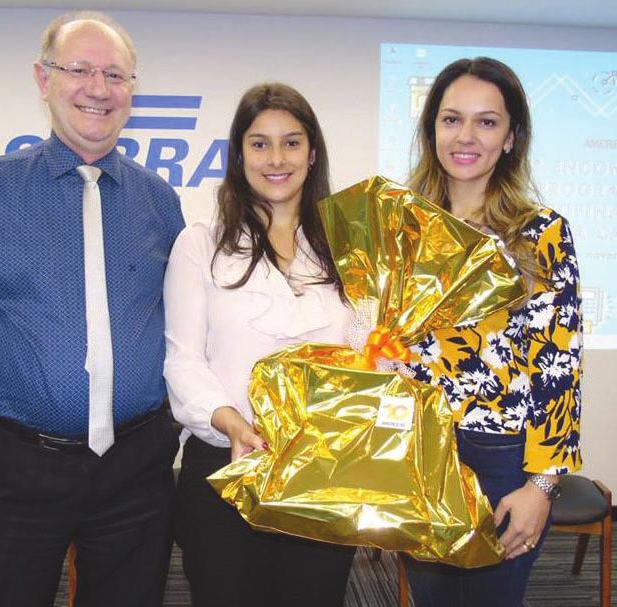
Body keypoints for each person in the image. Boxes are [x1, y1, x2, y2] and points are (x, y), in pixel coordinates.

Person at [0, 11, 184, 607]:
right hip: (14, 475)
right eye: (78, 69)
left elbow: (182, 334)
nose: (98, 88)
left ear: (132, 89)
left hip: (136, 474)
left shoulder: (158, 201)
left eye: (114, 74)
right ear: (42, 78)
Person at [163, 83, 356, 607]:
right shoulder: (201, 244)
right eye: (260, 143)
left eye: (292, 143)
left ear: (312, 154)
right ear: (239, 153)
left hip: (324, 473)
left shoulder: (348, 245)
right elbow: (183, 359)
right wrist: (231, 422)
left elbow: (367, 355)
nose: (276, 159)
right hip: (228, 466)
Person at [401, 57, 583, 606]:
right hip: (419, 450)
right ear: (431, 130)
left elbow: (560, 365)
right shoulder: (403, 227)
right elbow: (384, 341)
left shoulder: (539, 233)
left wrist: (541, 486)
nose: (466, 136)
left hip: (504, 457)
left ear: (511, 138)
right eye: (451, 119)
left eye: (487, 122)